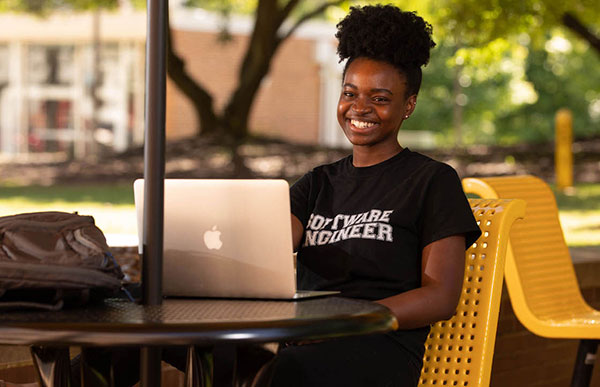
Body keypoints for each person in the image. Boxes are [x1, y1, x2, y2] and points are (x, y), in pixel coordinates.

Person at [258, 4, 481, 387]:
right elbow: (261, 254)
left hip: (380, 349)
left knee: (285, 371)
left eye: (379, 98)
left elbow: (441, 296)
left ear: (408, 105)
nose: (359, 108)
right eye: (350, 93)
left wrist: (347, 322)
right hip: (302, 339)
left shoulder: (431, 181)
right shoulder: (317, 184)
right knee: (149, 348)